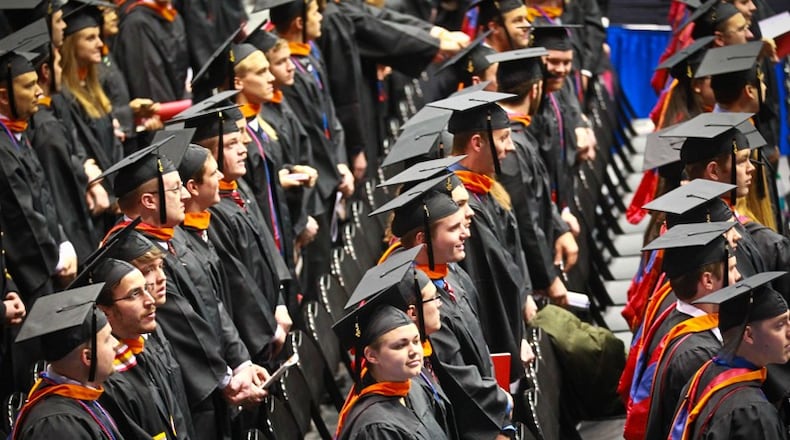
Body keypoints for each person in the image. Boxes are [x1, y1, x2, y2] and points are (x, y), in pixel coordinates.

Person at [95, 134, 269, 439]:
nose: (186, 197)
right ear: (149, 201)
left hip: (211, 376)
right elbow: (180, 324)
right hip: (188, 387)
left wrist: (240, 362)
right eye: (176, 189)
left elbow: (214, 303)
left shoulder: (173, 236)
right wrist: (226, 378)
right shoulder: (126, 255)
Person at [375, 169, 516, 440]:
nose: (466, 233)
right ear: (421, 240)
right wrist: (501, 405)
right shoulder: (416, 295)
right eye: (453, 228)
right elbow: (453, 375)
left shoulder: (450, 272)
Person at [436, 91, 534, 387]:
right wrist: (515, 342)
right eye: (504, 138)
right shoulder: (461, 204)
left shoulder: (482, 188)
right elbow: (489, 285)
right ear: (477, 142)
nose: (510, 146)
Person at [623, 222, 740, 440]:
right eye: (732, 269)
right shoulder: (696, 355)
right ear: (707, 280)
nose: (739, 277)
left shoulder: (677, 317)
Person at [492, 46, 577, 307]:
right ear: (536, 89)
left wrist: (559, 228)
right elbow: (525, 218)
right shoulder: (512, 146)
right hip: (527, 277)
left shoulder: (515, 135)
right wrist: (548, 279)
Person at [0, 22, 77, 303]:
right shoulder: (3, 148)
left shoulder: (19, 135)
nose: (38, 92)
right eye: (29, 86)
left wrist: (63, 240)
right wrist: (55, 259)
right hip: (31, 281)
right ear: (4, 96)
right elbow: (21, 217)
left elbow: (44, 197)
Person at [668, 271, 790, 440]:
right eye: (780, 325)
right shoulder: (752, 413)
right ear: (749, 335)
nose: (789, 332)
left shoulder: (707, 372)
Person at [11, 284, 123, 439]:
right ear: (88, 357)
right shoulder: (56, 427)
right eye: (107, 339)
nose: (116, 344)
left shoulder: (81, 400)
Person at [93, 258, 182, 439]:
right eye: (134, 294)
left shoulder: (144, 350)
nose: (150, 301)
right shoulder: (107, 377)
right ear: (104, 311)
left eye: (146, 290)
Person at [59, 1, 124, 232]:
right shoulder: (66, 98)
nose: (100, 43)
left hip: (115, 201)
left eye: (98, 36)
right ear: (71, 44)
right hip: (99, 207)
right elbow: (86, 149)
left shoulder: (95, 88)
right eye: (90, 38)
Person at [114, 0, 189, 103]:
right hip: (163, 108)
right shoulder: (137, 23)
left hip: (180, 100)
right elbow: (150, 81)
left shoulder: (173, 16)